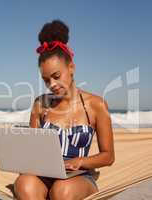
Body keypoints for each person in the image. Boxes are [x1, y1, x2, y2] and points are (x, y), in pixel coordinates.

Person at [14, 20, 115, 200]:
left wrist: (80, 162)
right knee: (24, 184)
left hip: (79, 176)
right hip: (44, 176)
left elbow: (108, 156)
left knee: (62, 190)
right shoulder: (40, 105)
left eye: (56, 76)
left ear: (71, 68)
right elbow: (32, 151)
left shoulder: (96, 105)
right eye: (46, 80)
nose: (52, 84)